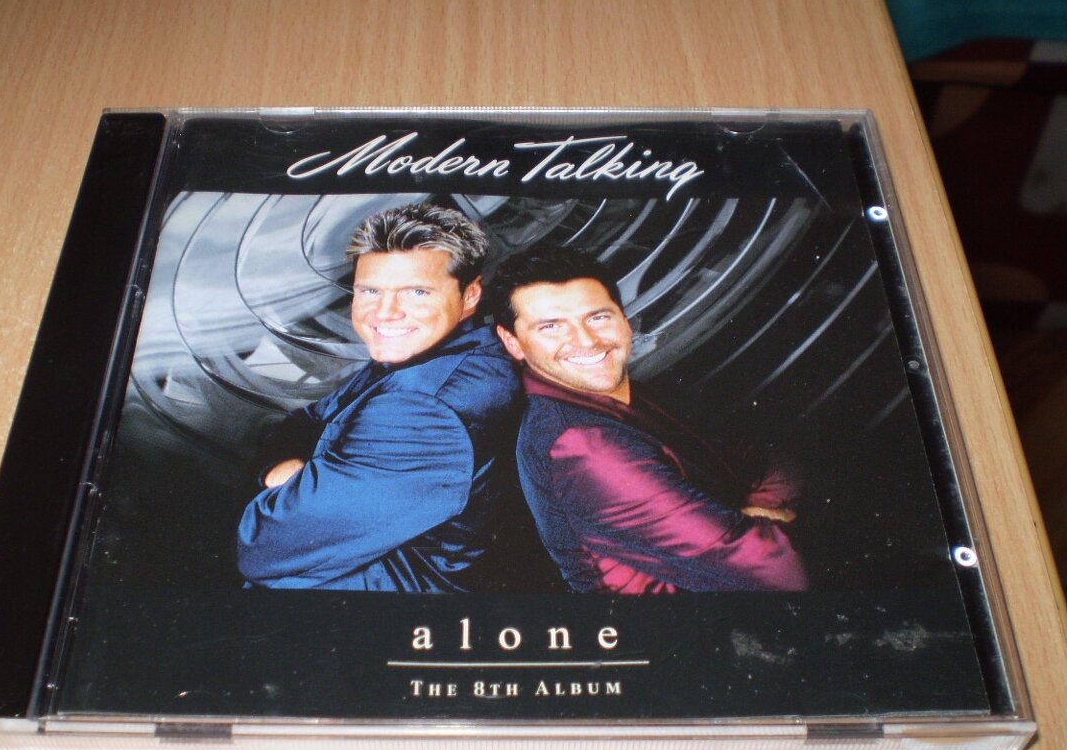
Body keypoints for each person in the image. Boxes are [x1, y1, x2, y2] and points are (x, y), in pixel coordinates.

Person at [490, 245, 807, 594]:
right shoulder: (584, 446)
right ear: (512, 342)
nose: (587, 341)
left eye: (598, 317)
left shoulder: (626, 394)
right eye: (551, 327)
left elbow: (760, 460)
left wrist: (757, 509)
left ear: (624, 321)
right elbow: (778, 572)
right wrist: (772, 517)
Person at [237, 203, 521, 591]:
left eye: (417, 292)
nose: (385, 313)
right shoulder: (427, 355)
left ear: (470, 295)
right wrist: (280, 470)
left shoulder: (424, 409)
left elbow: (263, 548)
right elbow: (306, 420)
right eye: (370, 291)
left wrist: (292, 479)